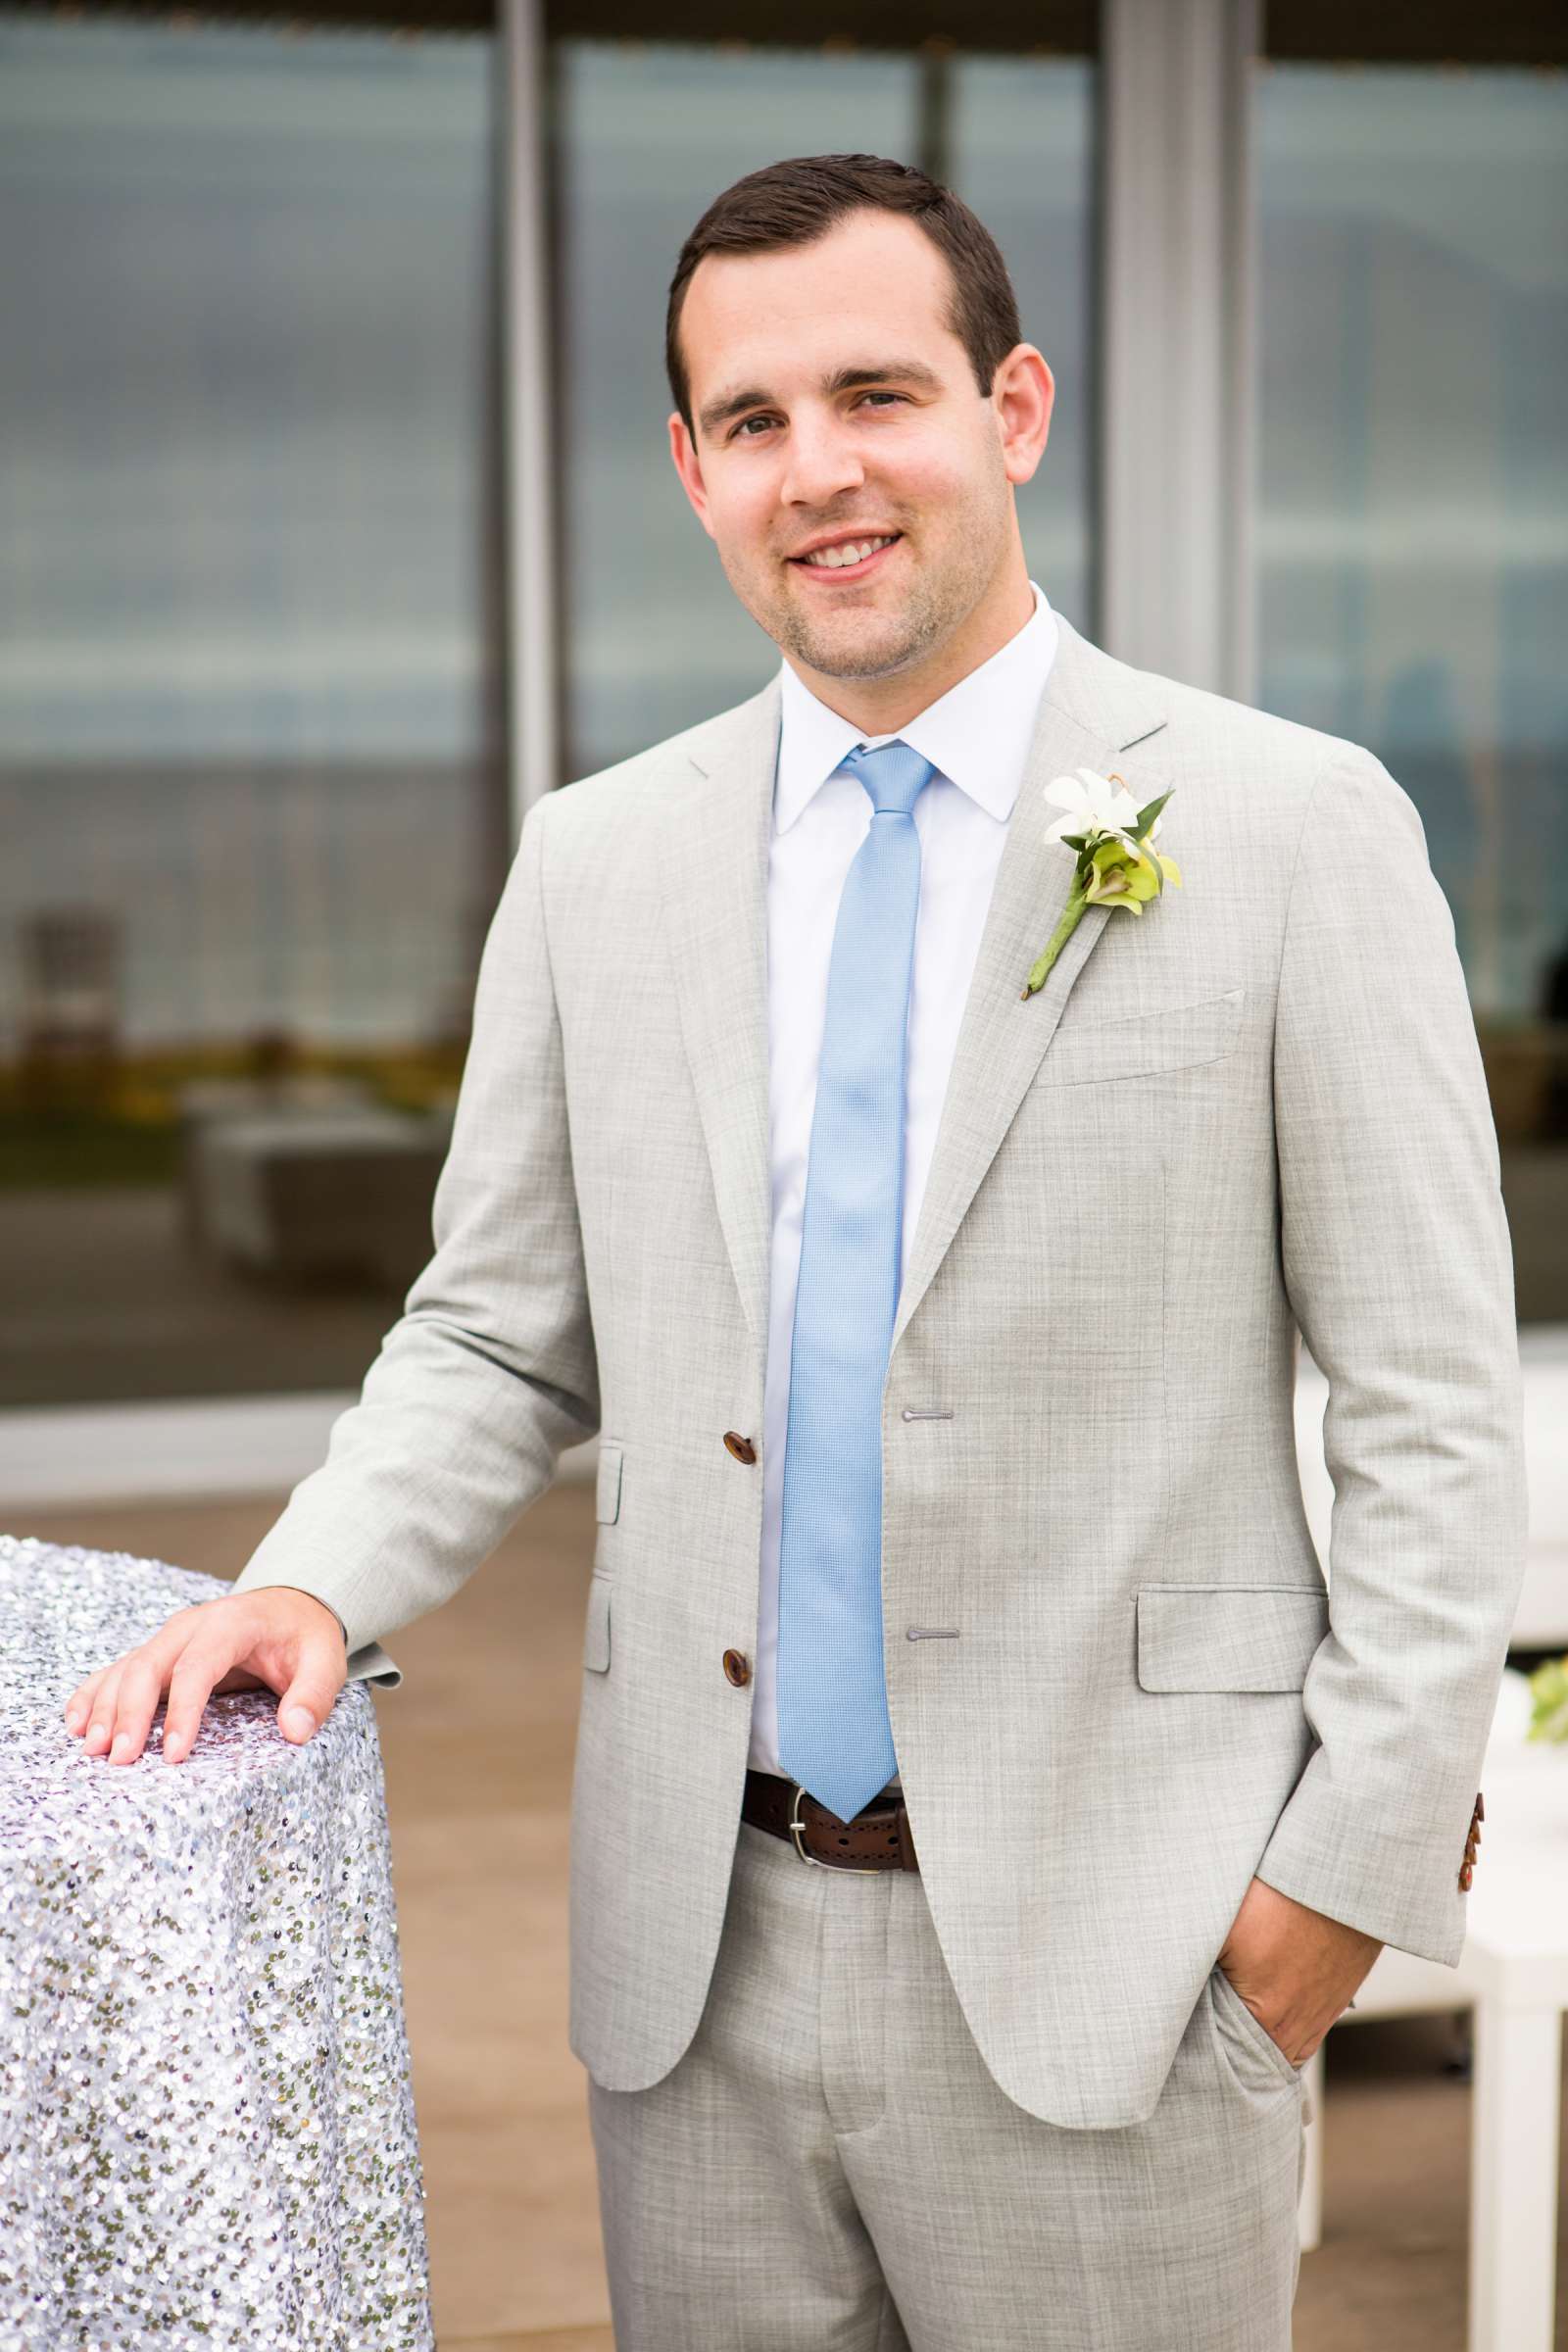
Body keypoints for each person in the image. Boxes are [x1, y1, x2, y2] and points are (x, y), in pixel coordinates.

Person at [64, 153, 1526, 2348]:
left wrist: (1332, 1890)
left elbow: (1426, 1399)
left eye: (876, 393)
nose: (816, 472)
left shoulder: (1292, 834)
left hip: (1123, 1973)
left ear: (1009, 410)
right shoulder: (595, 865)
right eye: (750, 423)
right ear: (688, 471)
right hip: (698, 1965)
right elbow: (491, 1333)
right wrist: (304, 1576)